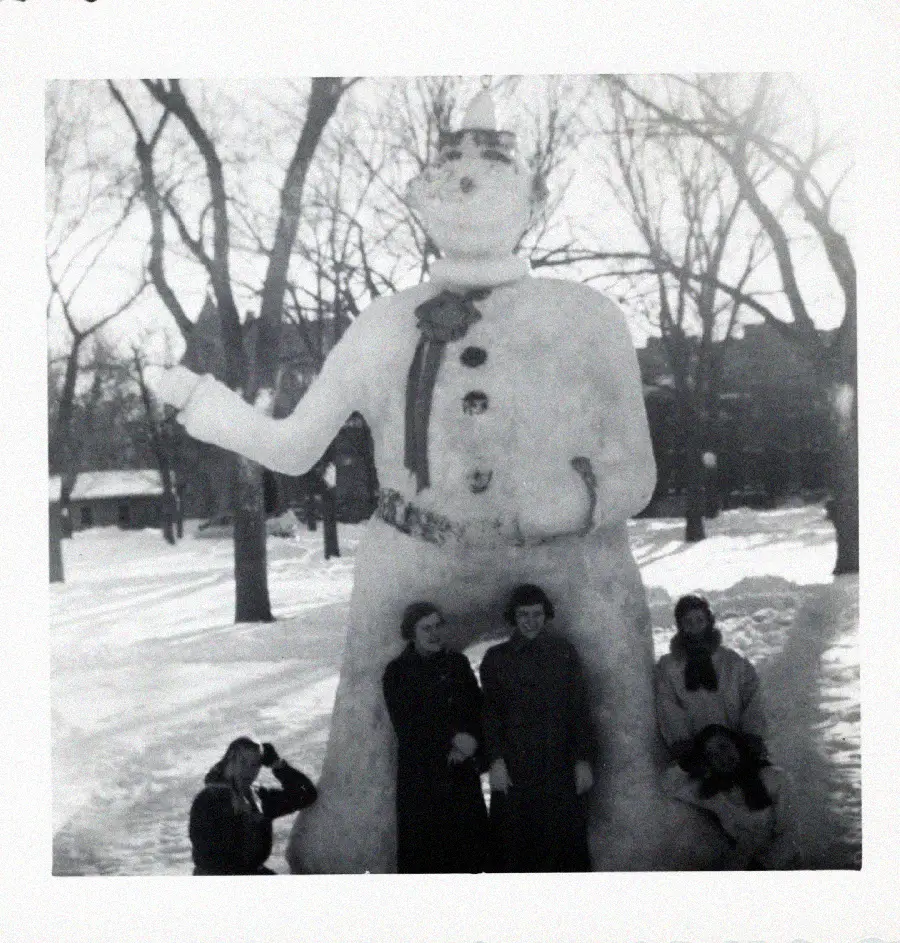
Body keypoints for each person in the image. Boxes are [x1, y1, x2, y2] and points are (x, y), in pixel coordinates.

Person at [479, 584, 596, 871]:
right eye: (523, 615)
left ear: (546, 615)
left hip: (557, 764)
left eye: (537, 614)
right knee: (517, 849)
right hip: (516, 767)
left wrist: (583, 759)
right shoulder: (497, 659)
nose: (531, 621)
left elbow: (578, 708)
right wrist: (495, 760)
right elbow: (490, 713)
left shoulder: (563, 652)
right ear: (513, 618)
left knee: (563, 849)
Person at [381, 602, 489, 873]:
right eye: (426, 628)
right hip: (423, 780)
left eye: (438, 626)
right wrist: (453, 741)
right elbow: (408, 727)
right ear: (412, 633)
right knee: (428, 859)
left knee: (469, 858)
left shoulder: (457, 664)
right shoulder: (398, 672)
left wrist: (472, 744)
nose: (434, 633)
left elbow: (477, 710)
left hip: (461, 774)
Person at [654, 594, 768, 767]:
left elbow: (754, 699)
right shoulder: (669, 667)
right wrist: (683, 745)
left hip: (738, 749)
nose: (695, 628)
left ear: (709, 621)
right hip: (696, 756)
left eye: (700, 620)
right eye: (688, 622)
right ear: (680, 627)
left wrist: (752, 735)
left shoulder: (732, 662)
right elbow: (667, 706)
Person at [663, 724, 797, 869]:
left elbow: (791, 833)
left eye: (723, 747)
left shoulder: (773, 777)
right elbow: (669, 786)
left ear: (737, 744)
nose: (722, 757)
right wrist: (686, 764)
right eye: (712, 755)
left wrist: (764, 865)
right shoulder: (714, 793)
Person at [189, 737, 317, 875]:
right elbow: (209, 857)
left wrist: (277, 765)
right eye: (243, 762)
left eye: (255, 765)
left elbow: (306, 794)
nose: (248, 771)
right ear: (229, 761)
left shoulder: (258, 797)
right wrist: (237, 817)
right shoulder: (207, 800)